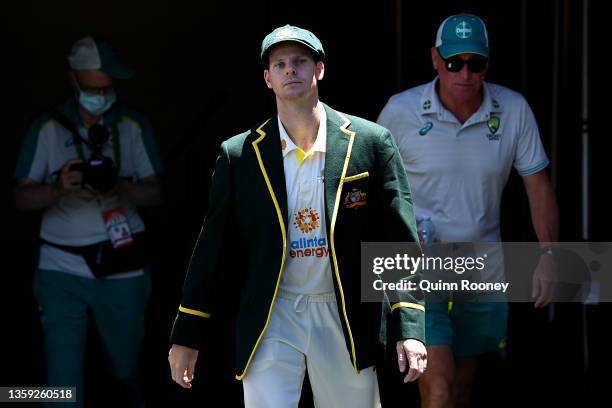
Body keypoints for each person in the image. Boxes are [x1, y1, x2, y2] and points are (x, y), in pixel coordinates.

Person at [168, 24, 426, 407]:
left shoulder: (371, 142)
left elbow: (398, 240)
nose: (291, 70)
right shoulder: (239, 154)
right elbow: (211, 250)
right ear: (267, 78)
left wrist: (411, 325)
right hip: (273, 312)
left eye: (300, 61)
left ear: (319, 69)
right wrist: (187, 334)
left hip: (346, 312)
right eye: (281, 63)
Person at [377, 13, 559, 408]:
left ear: (487, 63)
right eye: (453, 62)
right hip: (421, 264)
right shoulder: (400, 111)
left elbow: (538, 188)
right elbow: (374, 188)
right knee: (437, 387)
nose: (464, 73)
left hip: (483, 266)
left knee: (460, 388)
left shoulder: (513, 109)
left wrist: (548, 254)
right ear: (434, 59)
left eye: (475, 63)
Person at [14, 36, 163, 407]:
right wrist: (56, 189)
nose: (102, 95)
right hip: (60, 265)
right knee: (61, 375)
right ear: (73, 80)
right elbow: (19, 198)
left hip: (123, 264)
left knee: (126, 367)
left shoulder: (131, 124)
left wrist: (120, 185)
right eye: (94, 88)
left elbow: (157, 194)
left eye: (109, 88)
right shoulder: (47, 127)